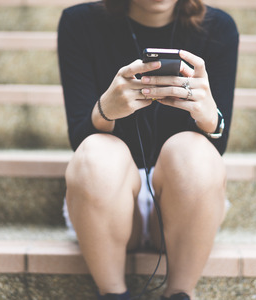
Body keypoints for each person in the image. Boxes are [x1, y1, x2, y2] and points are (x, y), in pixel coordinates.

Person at [57, 0, 239, 299]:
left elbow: (217, 145)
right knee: (96, 154)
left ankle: (180, 292)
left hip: (183, 196)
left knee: (194, 151)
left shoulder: (218, 28)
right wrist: (106, 109)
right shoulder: (80, 23)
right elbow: (81, 139)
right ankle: (114, 293)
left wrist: (209, 116)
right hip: (106, 191)